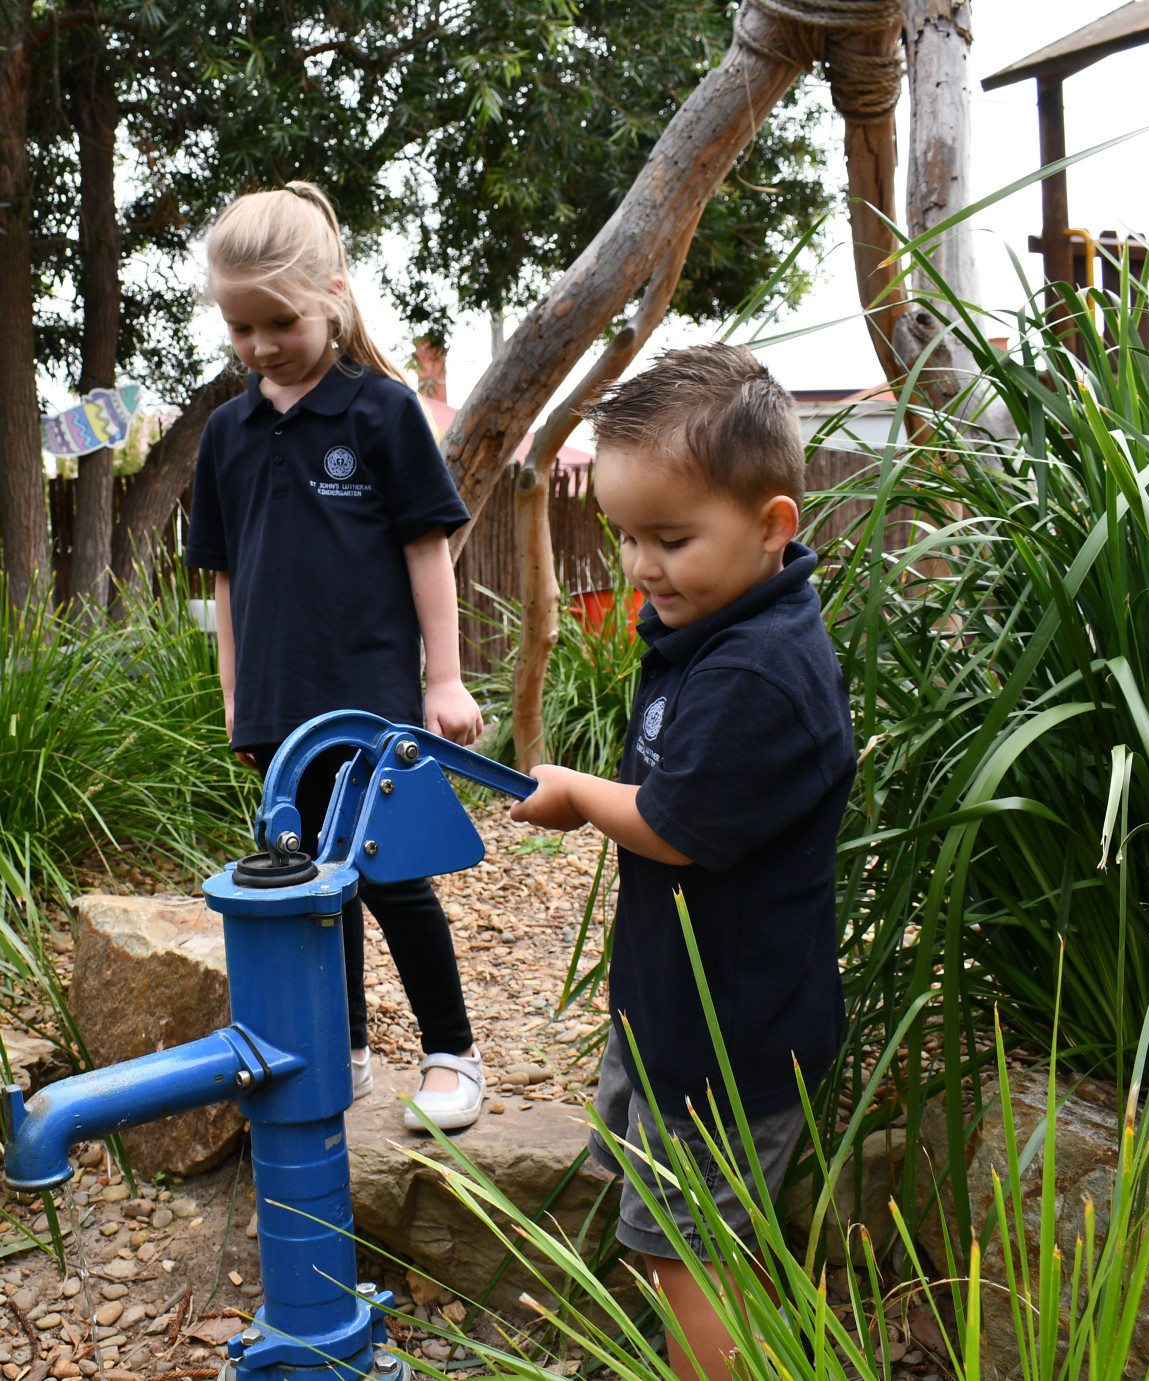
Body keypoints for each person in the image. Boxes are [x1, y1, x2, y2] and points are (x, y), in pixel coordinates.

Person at [507, 344, 853, 1380]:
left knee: (688, 1253)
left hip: (727, 1041)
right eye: (623, 537)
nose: (642, 567)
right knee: (674, 1231)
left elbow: (674, 824)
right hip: (675, 1014)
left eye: (669, 537)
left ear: (770, 523)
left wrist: (573, 792)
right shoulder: (710, 624)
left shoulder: (759, 666)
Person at [185, 180, 490, 1130]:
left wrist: (443, 677)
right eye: (241, 328)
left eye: (279, 321)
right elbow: (227, 582)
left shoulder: (383, 412)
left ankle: (452, 1051)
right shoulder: (227, 434)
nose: (261, 345)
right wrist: (238, 699)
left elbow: (427, 550)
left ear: (332, 294)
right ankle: (345, 1049)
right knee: (317, 886)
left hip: (369, 700)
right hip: (282, 710)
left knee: (392, 878)